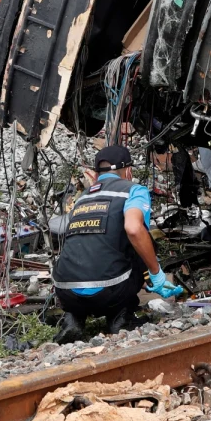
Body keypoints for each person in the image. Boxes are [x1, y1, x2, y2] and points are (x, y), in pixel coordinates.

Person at [52, 145, 184, 345]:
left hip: (65, 290)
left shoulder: (82, 198)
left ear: (96, 174)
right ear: (128, 171)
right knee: (143, 241)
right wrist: (156, 274)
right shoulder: (133, 190)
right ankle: (121, 317)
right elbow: (133, 228)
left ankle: (73, 318)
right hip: (110, 292)